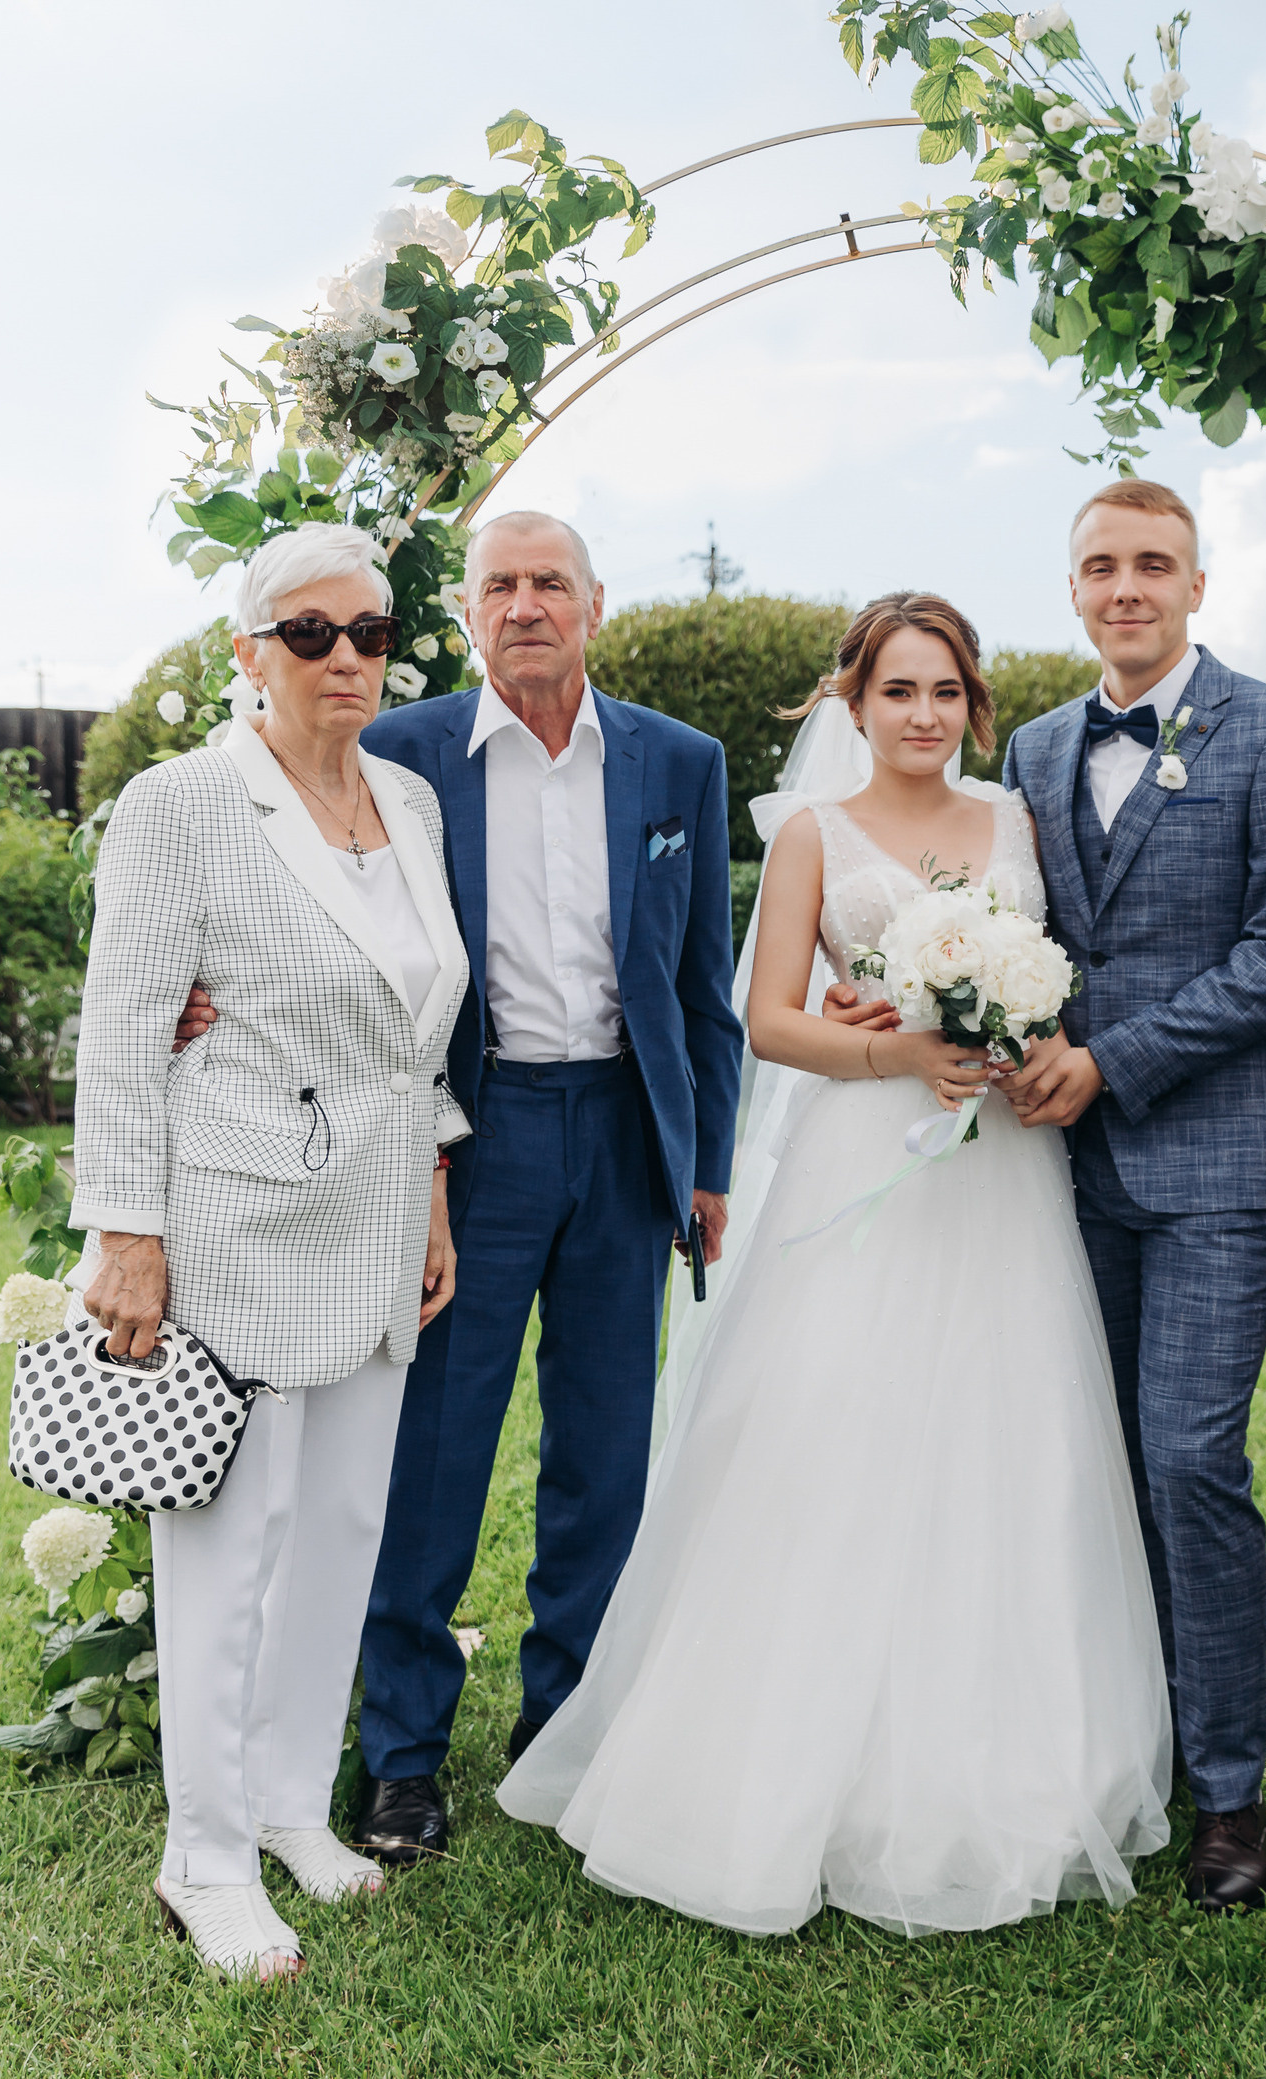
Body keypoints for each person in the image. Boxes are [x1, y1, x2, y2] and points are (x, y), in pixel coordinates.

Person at [498, 593, 1171, 1936]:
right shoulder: (810, 833)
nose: (920, 715)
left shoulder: (1018, 825)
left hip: (998, 1173)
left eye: (942, 692)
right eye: (896, 691)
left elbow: (1060, 976)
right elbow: (766, 1020)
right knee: (836, 1435)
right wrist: (894, 1051)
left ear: (972, 706)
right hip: (866, 1156)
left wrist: (1021, 1039)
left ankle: (1010, 1749)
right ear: (852, 705)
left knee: (1003, 1439)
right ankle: (780, 1754)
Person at [184, 511, 746, 1863]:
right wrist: (210, 981)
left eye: (552, 581)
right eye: (501, 585)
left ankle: (571, 1730)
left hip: (624, 1135)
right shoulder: (402, 752)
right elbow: (284, 871)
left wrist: (708, 1163)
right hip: (459, 1144)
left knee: (604, 1453)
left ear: (595, 605)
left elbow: (701, 988)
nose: (528, 604)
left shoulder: (680, 763)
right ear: (467, 616)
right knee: (433, 1452)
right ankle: (401, 1758)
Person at [72, 522, 470, 1979]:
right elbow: (123, 1029)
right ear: (251, 654)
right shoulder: (179, 807)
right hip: (232, 1221)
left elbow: (411, 1027)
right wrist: (127, 1233)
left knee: (341, 1534)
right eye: (310, 633)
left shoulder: (413, 805)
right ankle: (206, 1857)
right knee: (233, 1548)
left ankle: (296, 1805)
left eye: (367, 630)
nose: (345, 656)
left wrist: (430, 1188)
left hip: (375, 1222)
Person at [999, 479, 1266, 1910]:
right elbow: (1003, 927)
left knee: (1191, 1465)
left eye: (1155, 564)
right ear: (1073, 588)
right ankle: (1116, 1753)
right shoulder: (1027, 748)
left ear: (1198, 584)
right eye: (1101, 565)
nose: (1127, 586)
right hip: (1052, 1177)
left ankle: (1228, 1795)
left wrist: (1114, 1061)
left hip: (1213, 1166)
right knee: (1084, 1470)